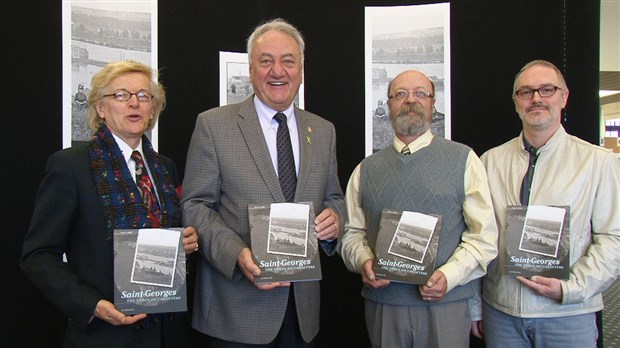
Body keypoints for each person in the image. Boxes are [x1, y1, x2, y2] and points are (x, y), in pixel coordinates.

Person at [180, 18, 345, 347]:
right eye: (265, 61)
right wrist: (237, 254)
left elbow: (334, 198)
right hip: (235, 311)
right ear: (251, 70)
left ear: (301, 69)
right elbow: (195, 206)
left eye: (288, 61)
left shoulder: (323, 131)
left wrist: (336, 220)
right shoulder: (213, 125)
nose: (277, 71)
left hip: (302, 312)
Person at [20, 60, 199, 348]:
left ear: (153, 108)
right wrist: (92, 305)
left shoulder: (165, 167)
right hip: (104, 335)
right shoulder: (71, 166)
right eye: (121, 95)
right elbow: (38, 255)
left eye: (143, 96)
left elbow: (161, 241)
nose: (134, 103)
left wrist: (185, 242)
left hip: (166, 333)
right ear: (100, 108)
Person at [339, 69, 498, 348]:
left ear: (433, 103)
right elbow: (351, 233)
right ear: (388, 104)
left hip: (445, 304)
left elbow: (483, 237)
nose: (410, 100)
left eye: (420, 93)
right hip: (384, 306)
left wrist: (449, 277)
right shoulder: (365, 170)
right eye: (400, 94)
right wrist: (363, 260)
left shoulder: (464, 160)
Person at [479, 59, 620, 347]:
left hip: (568, 313)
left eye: (547, 90)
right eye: (526, 92)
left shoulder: (598, 162)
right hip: (501, 314)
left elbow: (613, 238)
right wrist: (474, 306)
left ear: (564, 97)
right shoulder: (489, 162)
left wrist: (571, 288)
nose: (536, 99)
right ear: (516, 102)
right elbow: (476, 236)